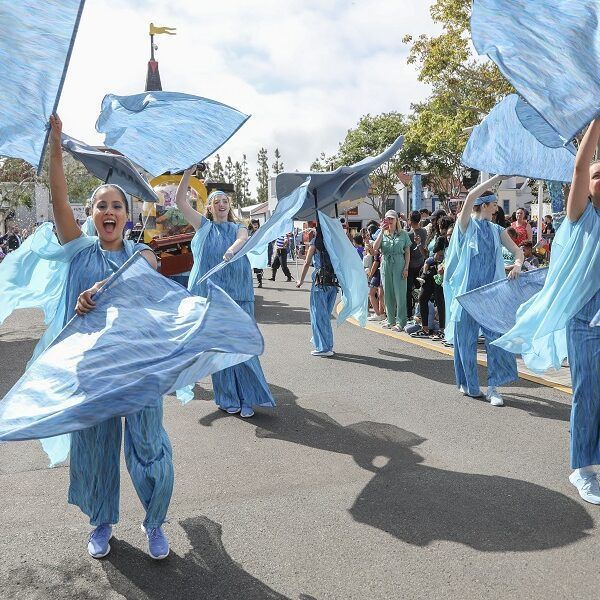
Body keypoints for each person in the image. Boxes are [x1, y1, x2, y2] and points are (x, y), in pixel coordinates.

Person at [46, 115, 172, 560]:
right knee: (95, 451)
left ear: (126, 215)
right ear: (91, 215)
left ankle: (154, 522)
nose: (109, 212)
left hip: (137, 370)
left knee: (148, 446)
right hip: (93, 373)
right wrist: (57, 145)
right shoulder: (78, 251)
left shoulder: (139, 256)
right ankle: (100, 521)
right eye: (101, 205)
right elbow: (58, 196)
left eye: (117, 206)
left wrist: (142, 264)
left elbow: (155, 278)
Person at [495, 118, 600, 504]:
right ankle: (583, 470)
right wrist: (597, 119)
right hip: (585, 319)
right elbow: (579, 165)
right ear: (586, 187)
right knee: (588, 392)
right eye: (598, 175)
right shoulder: (580, 217)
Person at [175, 168, 275, 417]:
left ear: (229, 205)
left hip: (239, 294)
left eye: (225, 201)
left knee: (242, 347)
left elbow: (242, 239)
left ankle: (247, 398)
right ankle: (227, 396)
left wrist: (232, 249)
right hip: (215, 297)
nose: (221, 204)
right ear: (209, 207)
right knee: (220, 349)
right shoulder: (203, 226)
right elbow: (179, 201)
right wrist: (188, 172)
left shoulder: (238, 227)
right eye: (216, 201)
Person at [444, 177, 524, 407]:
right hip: (467, 293)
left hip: (491, 295)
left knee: (496, 340)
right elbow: (469, 198)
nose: (497, 206)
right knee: (465, 340)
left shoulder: (497, 230)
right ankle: (470, 384)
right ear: (486, 205)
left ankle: (493, 387)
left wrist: (518, 265)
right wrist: (498, 177)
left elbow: (518, 253)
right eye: (494, 202)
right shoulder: (466, 225)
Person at [296, 223, 338, 356]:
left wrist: (300, 280)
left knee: (318, 315)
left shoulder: (316, 241)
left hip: (320, 283)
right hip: (333, 282)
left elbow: (307, 262)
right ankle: (325, 342)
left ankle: (323, 348)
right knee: (325, 315)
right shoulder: (334, 242)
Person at [373, 210, 411, 331]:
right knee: (387, 293)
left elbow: (407, 253)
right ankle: (390, 320)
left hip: (399, 263)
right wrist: (381, 231)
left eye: (391, 219)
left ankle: (401, 321)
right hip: (386, 264)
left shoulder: (403, 234)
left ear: (396, 220)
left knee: (400, 294)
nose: (389, 221)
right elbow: (374, 248)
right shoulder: (382, 233)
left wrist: (406, 268)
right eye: (387, 219)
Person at [406, 211, 428, 322]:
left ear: (410, 220)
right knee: (420, 289)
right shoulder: (424, 231)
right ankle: (418, 312)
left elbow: (407, 252)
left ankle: (409, 313)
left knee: (408, 291)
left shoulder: (408, 234)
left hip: (410, 265)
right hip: (421, 264)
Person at [248, 219, 264, 288]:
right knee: (248, 268)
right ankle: (248, 283)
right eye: (254, 224)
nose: (255, 225)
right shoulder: (249, 232)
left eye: (256, 224)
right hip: (249, 252)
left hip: (258, 252)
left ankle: (259, 282)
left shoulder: (260, 232)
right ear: (251, 225)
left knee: (257, 268)